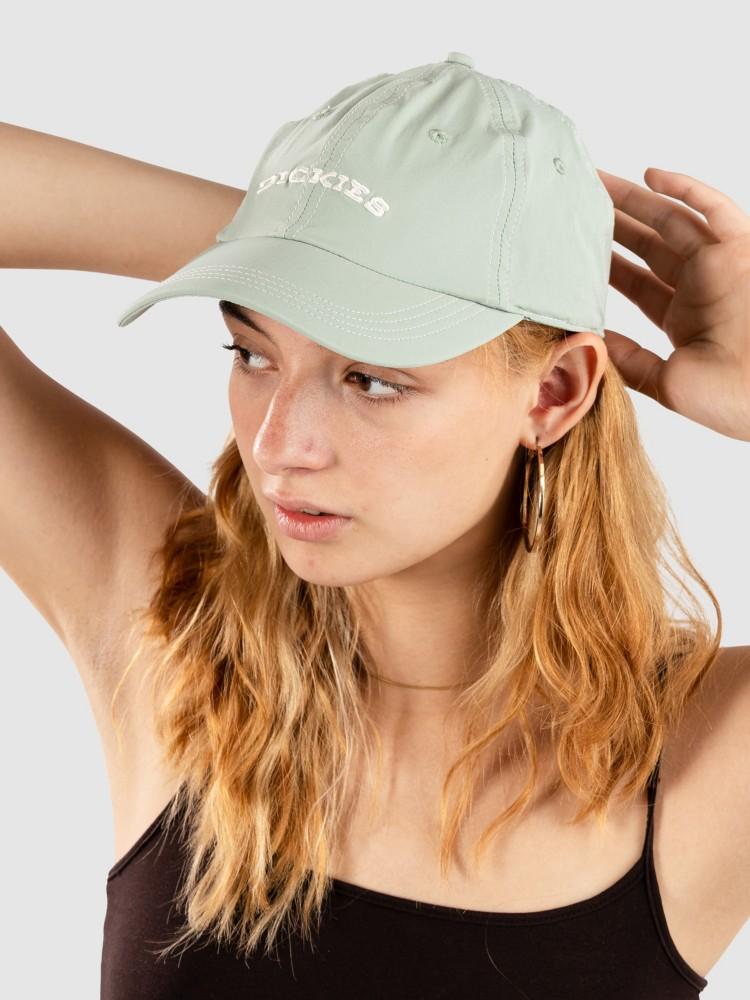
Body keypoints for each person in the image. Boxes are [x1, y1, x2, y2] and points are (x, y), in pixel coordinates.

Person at [1, 52, 749, 999]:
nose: (278, 444)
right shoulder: (173, 636)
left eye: (371, 378)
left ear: (554, 392)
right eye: (252, 351)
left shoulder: (705, 754)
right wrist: (300, 247)